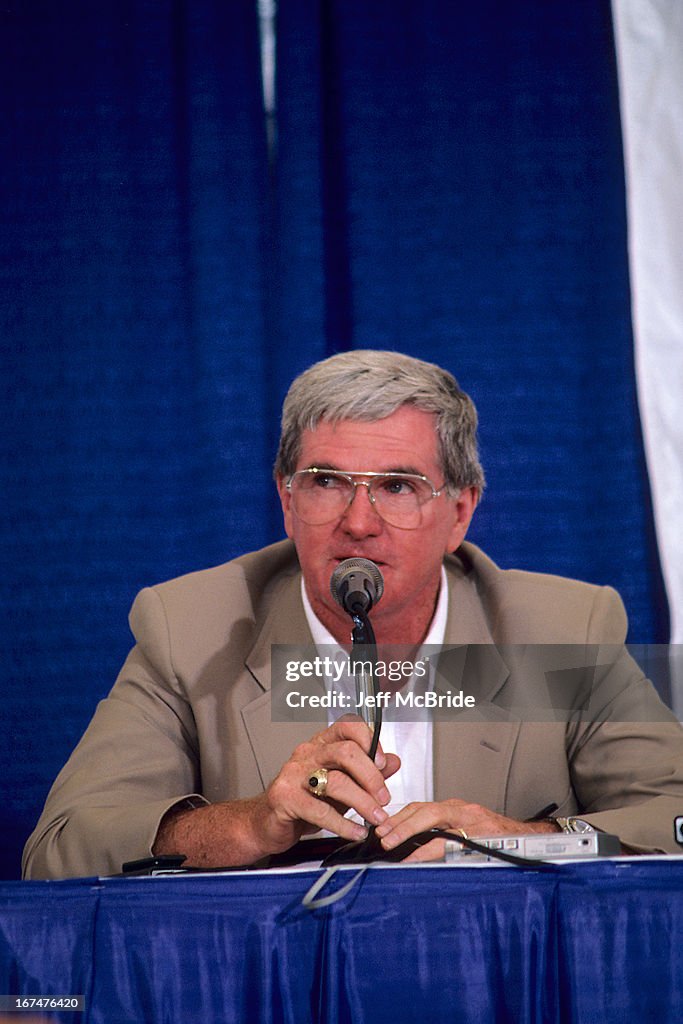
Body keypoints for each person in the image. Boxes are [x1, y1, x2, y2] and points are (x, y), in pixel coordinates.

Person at [23, 351, 683, 878]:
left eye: (397, 487)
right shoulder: (193, 630)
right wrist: (249, 825)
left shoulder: (558, 632)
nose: (357, 524)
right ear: (286, 501)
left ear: (459, 512)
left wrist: (525, 839)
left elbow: (673, 814)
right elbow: (61, 849)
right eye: (325, 483)